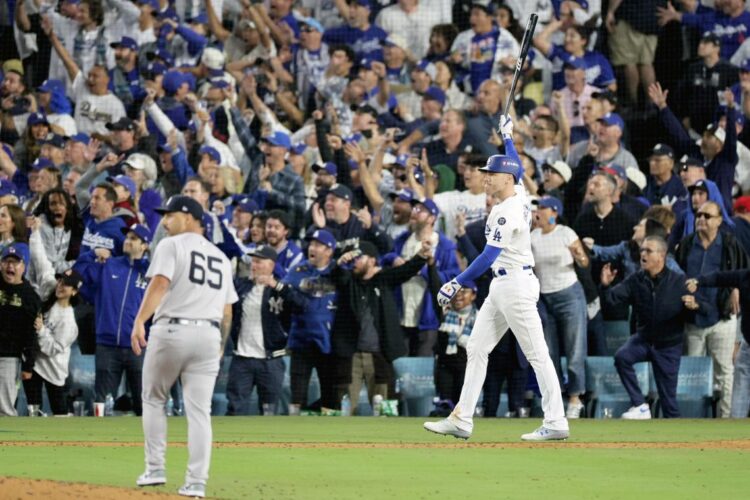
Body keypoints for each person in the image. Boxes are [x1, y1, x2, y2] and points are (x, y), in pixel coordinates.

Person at [424, 114, 569, 441]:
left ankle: (557, 420)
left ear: (505, 178)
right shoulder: (516, 192)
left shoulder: (507, 209)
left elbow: (488, 256)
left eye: (491, 174)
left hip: (515, 284)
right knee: (476, 347)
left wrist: (456, 281)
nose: (485, 178)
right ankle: (462, 418)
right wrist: (506, 136)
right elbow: (516, 163)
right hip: (506, 285)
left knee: (536, 354)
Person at [131, 196, 238, 498]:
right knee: (199, 412)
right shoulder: (220, 257)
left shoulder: (171, 245)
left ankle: (155, 468)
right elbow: (228, 311)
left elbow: (160, 283)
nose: (165, 222)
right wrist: (218, 346)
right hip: (209, 335)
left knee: (153, 399)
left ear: (190, 217)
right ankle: (196, 483)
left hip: (172, 330)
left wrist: (140, 320)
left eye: (171, 215)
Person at [601, 236, 703, 419]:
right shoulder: (635, 280)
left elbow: (698, 311)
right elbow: (611, 301)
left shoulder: (679, 281)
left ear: (662, 255)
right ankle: (640, 405)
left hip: (668, 346)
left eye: (648, 251)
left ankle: (679, 442)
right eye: (642, 250)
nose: (643, 254)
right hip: (643, 340)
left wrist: (695, 306)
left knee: (669, 404)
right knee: (622, 357)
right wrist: (605, 285)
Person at [674, 201, 748, 418]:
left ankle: (727, 420)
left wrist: (736, 287)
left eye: (707, 216)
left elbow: (743, 271)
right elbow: (678, 276)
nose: (701, 219)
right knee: (692, 372)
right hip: (694, 317)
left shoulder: (730, 243)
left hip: (722, 317)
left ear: (719, 220)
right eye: (699, 215)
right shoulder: (687, 244)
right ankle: (693, 418)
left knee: (724, 371)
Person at [74, 223, 151, 416]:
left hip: (139, 347)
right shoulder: (108, 265)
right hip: (107, 345)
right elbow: (77, 273)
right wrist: (92, 253)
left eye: (133, 238)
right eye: (127, 237)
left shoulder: (151, 273)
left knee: (144, 405)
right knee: (102, 404)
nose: (127, 241)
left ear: (145, 246)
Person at [530, 196, 589, 419]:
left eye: (543, 208)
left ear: (554, 211)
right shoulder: (533, 237)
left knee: (575, 349)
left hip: (569, 295)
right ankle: (554, 401)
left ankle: (575, 398)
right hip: (544, 299)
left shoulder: (566, 233)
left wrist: (580, 255)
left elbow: (583, 262)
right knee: (548, 353)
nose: (539, 211)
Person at [226, 245, 288, 416]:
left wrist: (276, 285)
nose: (254, 265)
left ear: (271, 265)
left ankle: (268, 443)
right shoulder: (241, 286)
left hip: (270, 359)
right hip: (242, 358)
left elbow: (300, 304)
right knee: (235, 408)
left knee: (269, 411)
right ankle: (232, 442)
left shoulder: (281, 289)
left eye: (259, 262)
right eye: (253, 261)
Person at [280, 229, 338, 410]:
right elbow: (288, 291)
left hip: (329, 341)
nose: (312, 248)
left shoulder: (338, 271)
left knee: (330, 394)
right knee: (297, 395)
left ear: (329, 250)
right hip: (301, 339)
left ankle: (330, 434)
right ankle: (293, 434)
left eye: (318, 245)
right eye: (311, 244)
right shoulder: (298, 269)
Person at [688, 267, 750, 417]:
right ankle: (736, 428)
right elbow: (719, 278)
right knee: (741, 383)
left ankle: (736, 424)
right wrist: (699, 281)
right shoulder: (744, 276)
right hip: (748, 344)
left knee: (740, 381)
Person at [22, 270, 81, 416]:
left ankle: (63, 439)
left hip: (54, 370)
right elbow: (43, 265)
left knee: (59, 412)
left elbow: (52, 348)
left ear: (74, 292)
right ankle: (31, 437)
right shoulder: (50, 298)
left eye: (66, 284)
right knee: (33, 409)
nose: (60, 286)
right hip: (35, 364)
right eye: (60, 281)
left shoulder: (68, 321)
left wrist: (41, 329)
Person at [0, 243, 41, 416]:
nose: (10, 266)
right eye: (6, 261)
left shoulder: (30, 296)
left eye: (15, 262)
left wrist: (28, 366)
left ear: (24, 266)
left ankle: (7, 442)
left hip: (9, 358)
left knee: (4, 407)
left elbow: (31, 335)